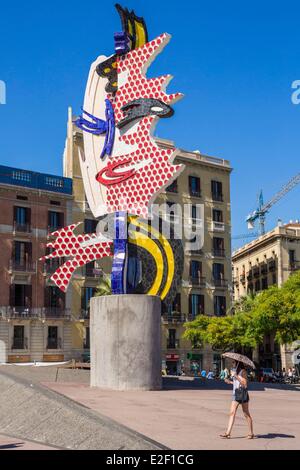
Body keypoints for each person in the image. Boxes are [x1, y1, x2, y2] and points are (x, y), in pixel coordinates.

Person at [220, 361, 254, 439]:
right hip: (235, 394)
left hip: (242, 394)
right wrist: (230, 382)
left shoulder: (243, 372)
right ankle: (228, 433)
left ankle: (251, 433)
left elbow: (244, 384)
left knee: (246, 414)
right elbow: (236, 383)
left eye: (233, 362)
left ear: (238, 363)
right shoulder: (235, 371)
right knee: (232, 413)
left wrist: (236, 375)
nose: (232, 364)